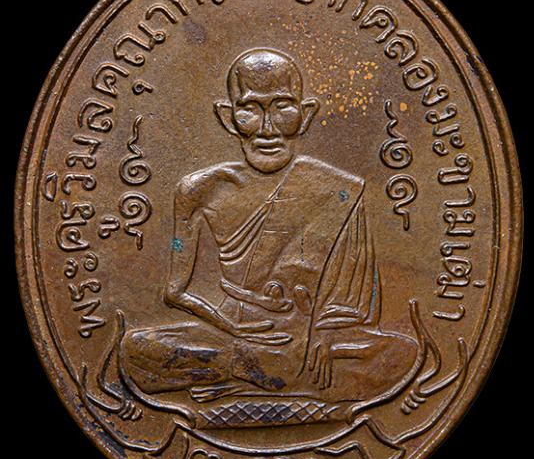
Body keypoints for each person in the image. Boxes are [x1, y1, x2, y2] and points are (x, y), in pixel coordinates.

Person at [120, 48, 418, 405]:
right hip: (233, 331)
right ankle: (260, 370)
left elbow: (354, 302)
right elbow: (174, 293)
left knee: (401, 354)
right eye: (250, 109)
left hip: (309, 335)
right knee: (137, 350)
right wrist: (231, 326)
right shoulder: (198, 189)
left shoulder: (339, 189)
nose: (267, 129)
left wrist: (327, 333)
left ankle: (253, 372)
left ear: (305, 115)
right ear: (228, 117)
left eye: (282, 108)